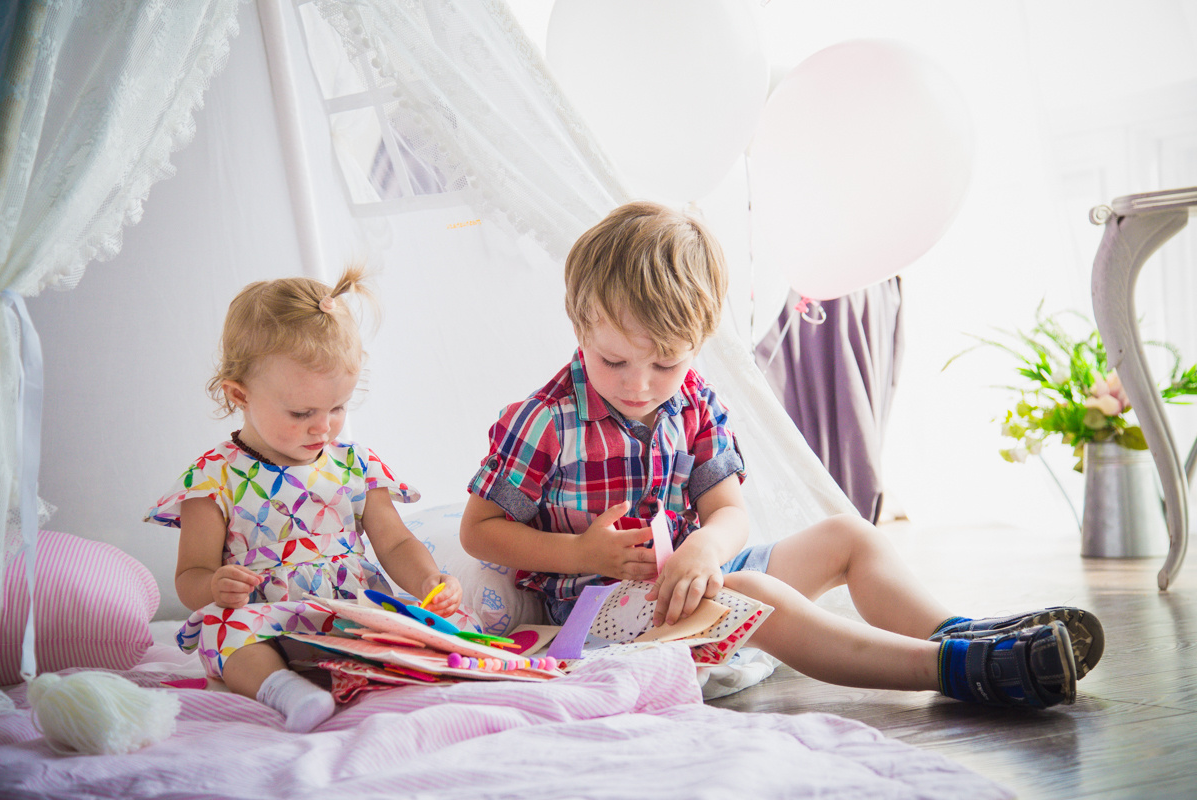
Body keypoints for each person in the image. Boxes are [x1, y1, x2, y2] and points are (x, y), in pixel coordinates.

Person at [459, 201, 1104, 709]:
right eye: (614, 361)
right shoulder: (544, 420)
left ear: (698, 344)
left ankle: (959, 632)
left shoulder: (693, 400)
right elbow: (479, 530)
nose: (639, 385)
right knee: (750, 591)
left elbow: (728, 512)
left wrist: (705, 547)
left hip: (694, 576)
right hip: (606, 613)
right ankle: (950, 671)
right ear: (580, 328)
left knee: (850, 534)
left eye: (665, 363)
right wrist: (581, 553)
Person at [145, 265, 462, 732]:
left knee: (412, 627)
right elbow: (191, 574)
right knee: (222, 630)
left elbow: (395, 543)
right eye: (301, 412)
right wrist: (214, 588)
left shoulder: (355, 464)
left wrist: (428, 581)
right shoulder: (212, 477)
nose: (323, 426)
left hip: (347, 613)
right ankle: (286, 691)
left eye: (337, 407)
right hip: (264, 621)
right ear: (239, 395)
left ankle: (371, 673)